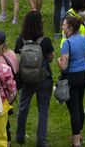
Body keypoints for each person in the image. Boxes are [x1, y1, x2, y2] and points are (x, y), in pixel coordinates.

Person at [56, 15, 85, 147]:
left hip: (72, 77)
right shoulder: (84, 38)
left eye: (64, 25)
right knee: (80, 104)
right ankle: (79, 134)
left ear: (69, 28)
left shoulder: (66, 43)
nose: (62, 27)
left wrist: (59, 61)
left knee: (74, 108)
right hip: (83, 75)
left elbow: (64, 66)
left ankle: (76, 142)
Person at [11, 11, 53, 147]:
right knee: (43, 111)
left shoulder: (20, 40)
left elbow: (17, 60)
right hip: (43, 79)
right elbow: (50, 58)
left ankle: (20, 136)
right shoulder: (45, 40)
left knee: (23, 108)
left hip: (26, 80)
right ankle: (41, 141)